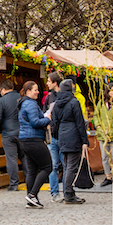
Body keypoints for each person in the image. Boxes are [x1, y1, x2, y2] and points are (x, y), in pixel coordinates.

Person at [52, 79, 89, 204]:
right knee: (71, 166)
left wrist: (57, 135)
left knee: (67, 165)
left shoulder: (57, 103)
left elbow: (54, 123)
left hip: (62, 135)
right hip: (73, 135)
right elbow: (80, 123)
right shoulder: (74, 102)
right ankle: (68, 194)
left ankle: (70, 192)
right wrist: (84, 140)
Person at [18, 81, 52, 208]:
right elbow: (35, 122)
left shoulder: (23, 103)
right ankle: (32, 195)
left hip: (24, 139)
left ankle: (31, 200)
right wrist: (47, 119)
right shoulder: (31, 104)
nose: (37, 92)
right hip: (33, 139)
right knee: (47, 167)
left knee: (32, 170)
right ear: (27, 91)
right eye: (35, 90)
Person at [0, 79, 23, 190]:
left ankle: (14, 184)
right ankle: (29, 180)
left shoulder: (2, 101)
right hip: (22, 131)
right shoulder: (20, 98)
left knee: (11, 159)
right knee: (25, 158)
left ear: (3, 89)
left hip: (8, 133)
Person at [44, 71, 65, 202]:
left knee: (65, 163)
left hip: (62, 134)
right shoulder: (49, 98)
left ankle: (67, 190)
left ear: (55, 82)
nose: (46, 83)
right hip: (52, 134)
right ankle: (54, 192)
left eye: (48, 81)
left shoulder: (64, 97)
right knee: (53, 165)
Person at [97, 85, 113, 186]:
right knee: (104, 157)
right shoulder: (102, 103)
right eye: (111, 90)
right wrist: (98, 126)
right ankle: (108, 176)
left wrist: (112, 132)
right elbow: (96, 115)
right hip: (102, 134)